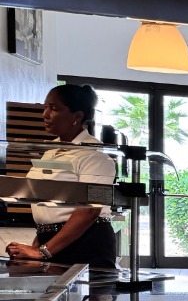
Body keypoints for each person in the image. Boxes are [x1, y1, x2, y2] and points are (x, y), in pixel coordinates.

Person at [6, 83, 118, 269]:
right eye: (45, 107)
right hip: (52, 242)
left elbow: (90, 211)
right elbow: (47, 206)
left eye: (54, 108)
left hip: (86, 243)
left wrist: (43, 252)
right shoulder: (50, 151)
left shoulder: (95, 155)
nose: (45, 114)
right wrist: (38, 245)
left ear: (77, 116)